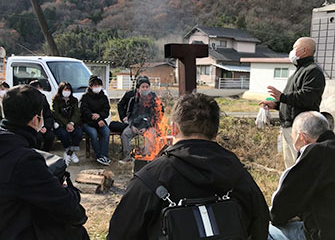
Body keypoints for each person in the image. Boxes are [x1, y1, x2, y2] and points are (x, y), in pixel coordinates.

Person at [107, 93, 269, 239]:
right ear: (215, 132)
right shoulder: (238, 174)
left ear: (174, 128)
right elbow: (260, 224)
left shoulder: (149, 178)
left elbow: (119, 234)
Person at [0, 85, 89, 239]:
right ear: (36, 119)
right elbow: (65, 205)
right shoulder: (25, 160)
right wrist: (71, 191)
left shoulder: (7, 144)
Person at [260, 37, 326, 169]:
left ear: (304, 50)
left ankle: (303, 189)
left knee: (301, 166)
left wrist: (282, 97)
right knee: (290, 165)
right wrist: (277, 105)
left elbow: (306, 98)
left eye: (295, 48)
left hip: (303, 129)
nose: (292, 51)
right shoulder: (300, 71)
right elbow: (293, 101)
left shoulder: (313, 71)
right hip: (290, 126)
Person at [268, 111, 335, 240]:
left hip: (325, 234)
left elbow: (279, 211)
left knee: (263, 231)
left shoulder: (315, 153)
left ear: (302, 137)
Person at [120, 75, 163, 162]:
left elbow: (156, 115)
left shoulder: (154, 99)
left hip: (148, 126)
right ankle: (128, 158)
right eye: (143, 87)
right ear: (138, 88)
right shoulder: (132, 99)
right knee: (125, 134)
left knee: (151, 134)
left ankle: (146, 157)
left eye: (147, 87)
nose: (145, 89)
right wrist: (132, 126)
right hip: (135, 125)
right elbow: (129, 115)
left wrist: (146, 127)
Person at [80, 75, 111, 166]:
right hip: (87, 122)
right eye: (95, 85)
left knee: (106, 132)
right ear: (90, 86)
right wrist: (96, 118)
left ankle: (103, 155)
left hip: (100, 121)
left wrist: (100, 116)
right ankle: (98, 156)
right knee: (93, 134)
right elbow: (84, 111)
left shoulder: (104, 97)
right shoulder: (85, 97)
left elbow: (106, 110)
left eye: (99, 85)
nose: (97, 87)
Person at [52, 82, 83, 165]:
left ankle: (69, 153)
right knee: (63, 134)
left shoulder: (74, 100)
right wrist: (66, 124)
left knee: (79, 133)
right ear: (61, 90)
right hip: (61, 124)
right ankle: (70, 152)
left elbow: (77, 113)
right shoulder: (56, 100)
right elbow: (56, 114)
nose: (67, 91)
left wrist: (72, 123)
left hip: (72, 124)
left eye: (68, 89)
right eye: (65, 89)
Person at [29, 80, 55, 152]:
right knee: (38, 138)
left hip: (43, 125)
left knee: (50, 136)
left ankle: (46, 152)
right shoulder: (27, 100)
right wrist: (36, 127)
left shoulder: (43, 98)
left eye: (40, 88)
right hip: (33, 127)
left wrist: (46, 127)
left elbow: (48, 115)